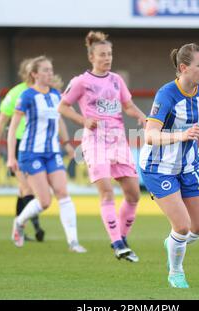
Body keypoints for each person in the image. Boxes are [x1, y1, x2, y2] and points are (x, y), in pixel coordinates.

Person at [58, 31, 146, 262]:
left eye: (109, 54)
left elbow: (127, 105)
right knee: (106, 191)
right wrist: (83, 120)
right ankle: (118, 244)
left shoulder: (117, 80)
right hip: (95, 141)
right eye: (102, 55)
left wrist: (141, 116)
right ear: (92, 57)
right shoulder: (81, 82)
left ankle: (121, 238)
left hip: (118, 140)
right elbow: (63, 107)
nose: (107, 58)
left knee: (133, 195)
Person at [139, 43, 199, 288]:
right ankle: (176, 271)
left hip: (189, 164)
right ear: (183, 67)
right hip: (158, 166)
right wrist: (181, 136)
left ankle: (174, 242)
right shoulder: (166, 94)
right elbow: (149, 135)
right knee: (182, 226)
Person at [7, 55, 86, 253]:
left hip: (52, 152)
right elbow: (12, 128)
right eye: (45, 70)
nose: (50, 73)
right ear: (34, 74)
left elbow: (59, 121)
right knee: (44, 202)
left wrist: (67, 144)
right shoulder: (26, 96)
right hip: (31, 153)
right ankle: (19, 222)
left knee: (63, 193)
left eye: (51, 69)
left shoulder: (56, 96)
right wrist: (11, 156)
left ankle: (73, 242)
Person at [0, 58, 44, 242]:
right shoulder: (16, 93)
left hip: (38, 145)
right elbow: (1, 122)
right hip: (19, 144)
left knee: (24, 190)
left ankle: (19, 228)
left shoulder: (44, 92)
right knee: (27, 187)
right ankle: (37, 228)